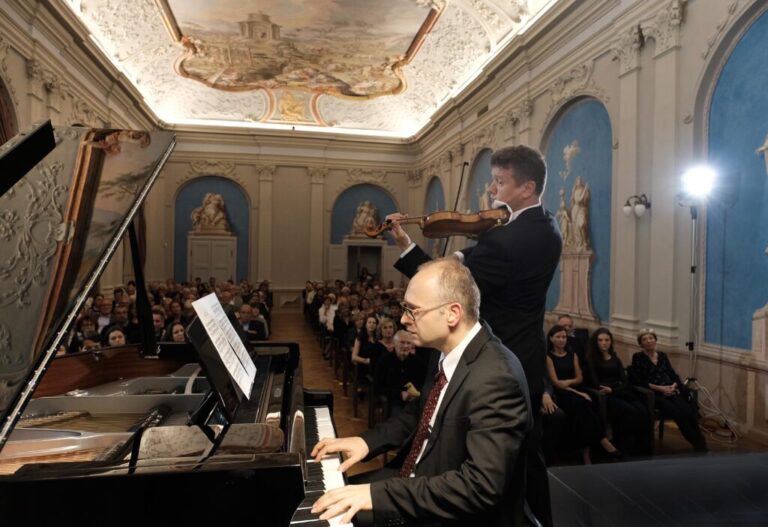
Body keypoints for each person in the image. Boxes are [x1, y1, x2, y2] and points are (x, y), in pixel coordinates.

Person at [385, 145, 562, 526]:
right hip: (525, 357)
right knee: (526, 464)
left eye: (500, 182)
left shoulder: (509, 241)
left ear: (528, 188)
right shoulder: (545, 226)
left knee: (498, 466)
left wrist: (405, 244)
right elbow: (462, 263)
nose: (492, 192)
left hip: (497, 366)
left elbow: (444, 287)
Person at [310, 258, 532, 526]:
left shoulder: (496, 378)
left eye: (413, 310)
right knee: (324, 500)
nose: (403, 319)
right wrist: (367, 442)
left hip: (449, 509)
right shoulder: (444, 350)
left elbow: (480, 486)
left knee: (330, 516)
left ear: (452, 313)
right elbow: (421, 412)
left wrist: (379, 495)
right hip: (416, 481)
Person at [545, 325, 620, 464]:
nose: (561, 340)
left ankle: (587, 452)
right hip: (560, 395)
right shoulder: (548, 357)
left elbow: (579, 378)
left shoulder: (572, 354)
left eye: (564, 337)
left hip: (575, 390)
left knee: (589, 406)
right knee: (582, 403)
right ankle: (603, 441)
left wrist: (571, 384)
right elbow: (556, 383)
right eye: (558, 337)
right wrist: (576, 391)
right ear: (551, 338)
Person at [629, 329, 708, 452]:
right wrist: (660, 388)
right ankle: (697, 444)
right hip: (655, 394)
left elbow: (672, 374)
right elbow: (638, 381)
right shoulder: (638, 357)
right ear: (641, 343)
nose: (649, 341)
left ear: (655, 340)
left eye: (651, 338)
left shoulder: (662, 356)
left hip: (671, 390)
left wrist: (674, 385)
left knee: (688, 411)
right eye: (645, 339)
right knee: (678, 414)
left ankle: (701, 442)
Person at [584, 327, 652, 456]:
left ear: (610, 342)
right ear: (596, 342)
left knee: (643, 410)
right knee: (630, 411)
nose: (604, 343)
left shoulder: (615, 358)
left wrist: (614, 389)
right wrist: (610, 389)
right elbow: (595, 383)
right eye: (600, 340)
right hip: (605, 395)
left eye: (607, 340)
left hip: (619, 391)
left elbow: (625, 380)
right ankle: (626, 447)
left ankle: (642, 449)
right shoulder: (591, 360)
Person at [373, 330, 427, 418]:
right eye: (402, 342)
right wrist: (399, 394)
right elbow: (377, 386)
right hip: (393, 400)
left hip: (415, 401)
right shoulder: (384, 360)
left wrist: (417, 394)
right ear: (394, 344)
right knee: (401, 418)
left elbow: (423, 383)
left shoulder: (418, 362)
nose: (405, 346)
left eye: (408, 343)